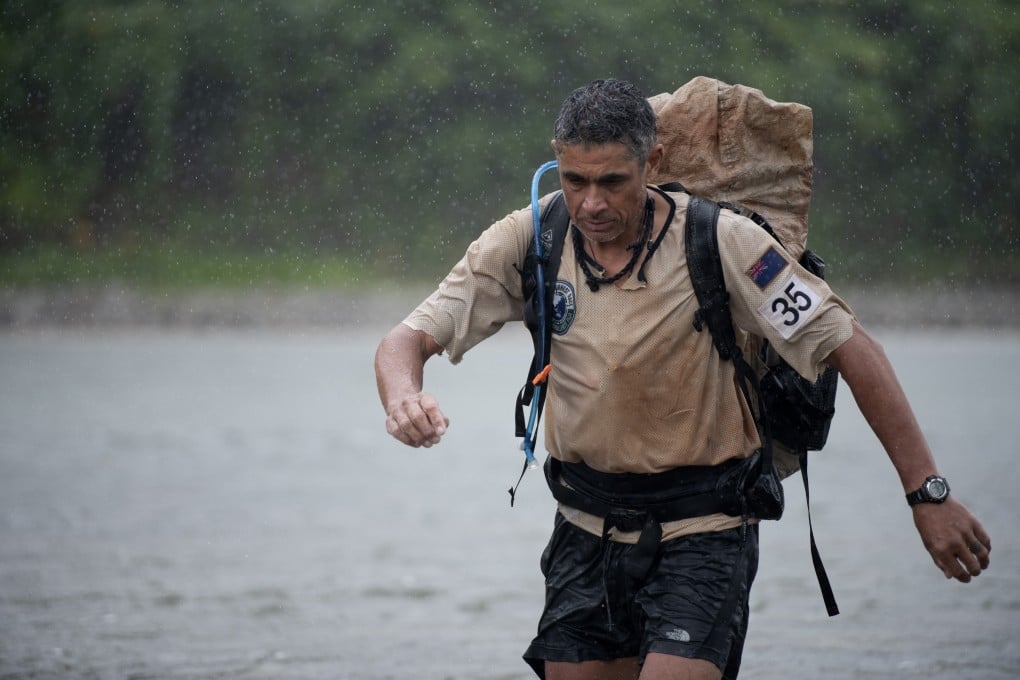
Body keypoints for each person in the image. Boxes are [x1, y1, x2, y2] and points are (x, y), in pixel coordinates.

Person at [373, 78, 991, 680]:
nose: (591, 202)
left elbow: (853, 349)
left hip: (705, 528)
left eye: (613, 181)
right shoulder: (534, 236)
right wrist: (403, 396)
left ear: (653, 163)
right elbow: (407, 339)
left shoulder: (722, 241)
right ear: (558, 164)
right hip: (584, 528)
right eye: (575, 180)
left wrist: (926, 493)